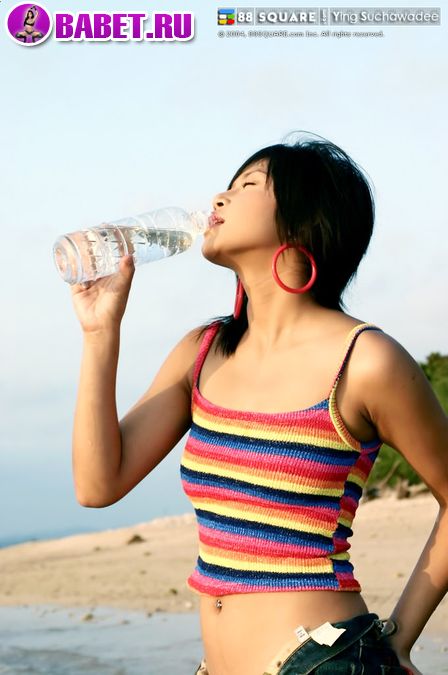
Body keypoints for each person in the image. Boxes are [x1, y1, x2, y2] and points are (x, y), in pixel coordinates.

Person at [70, 133, 448, 675]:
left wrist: (400, 636)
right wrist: (100, 332)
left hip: (322, 661)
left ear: (304, 220)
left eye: (248, 185)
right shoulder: (203, 352)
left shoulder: (365, 360)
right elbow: (97, 485)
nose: (218, 199)